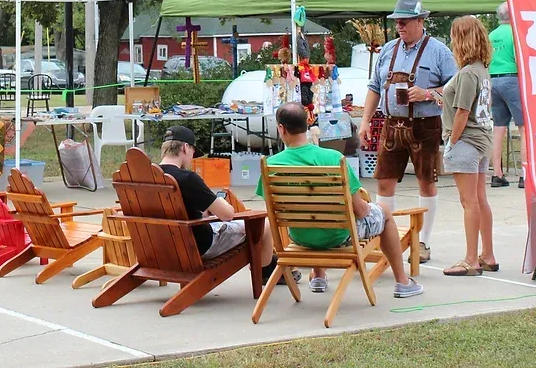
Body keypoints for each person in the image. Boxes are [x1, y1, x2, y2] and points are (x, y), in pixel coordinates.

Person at [257, 104, 423, 298]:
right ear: (309, 123)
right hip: (338, 238)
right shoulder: (333, 158)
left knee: (312, 215)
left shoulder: (270, 165)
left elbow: (272, 211)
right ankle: (403, 282)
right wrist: (369, 207)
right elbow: (360, 211)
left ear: (281, 129)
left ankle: (318, 277)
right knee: (384, 211)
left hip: (300, 236)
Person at [357, 0, 456, 264]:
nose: (399, 25)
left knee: (426, 181)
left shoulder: (439, 52)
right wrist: (365, 121)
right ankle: (383, 237)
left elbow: (454, 89)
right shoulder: (388, 50)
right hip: (391, 125)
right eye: (397, 21)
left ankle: (423, 241)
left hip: (425, 126)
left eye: (404, 21)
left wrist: (427, 93)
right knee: (384, 181)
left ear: (420, 21)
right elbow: (375, 87)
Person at [158, 125, 283, 283]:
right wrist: (222, 203)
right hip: (198, 245)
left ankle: (271, 264)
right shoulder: (187, 178)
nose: (192, 158)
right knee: (262, 226)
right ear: (185, 148)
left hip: (161, 246)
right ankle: (265, 272)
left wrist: (202, 212)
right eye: (193, 153)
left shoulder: (148, 177)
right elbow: (227, 215)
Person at [440, 16, 498, 277]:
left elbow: (462, 112)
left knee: (468, 202)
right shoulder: (481, 70)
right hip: (482, 140)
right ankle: (488, 254)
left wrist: (451, 143)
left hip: (466, 141)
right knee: (481, 199)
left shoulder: (466, 74)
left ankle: (470, 259)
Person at [488, 2, 524, 189]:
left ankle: (496, 174)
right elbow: (521, 59)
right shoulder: (516, 33)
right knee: (523, 128)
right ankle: (525, 175)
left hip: (493, 80)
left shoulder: (491, 36)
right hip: (512, 79)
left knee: (498, 129)